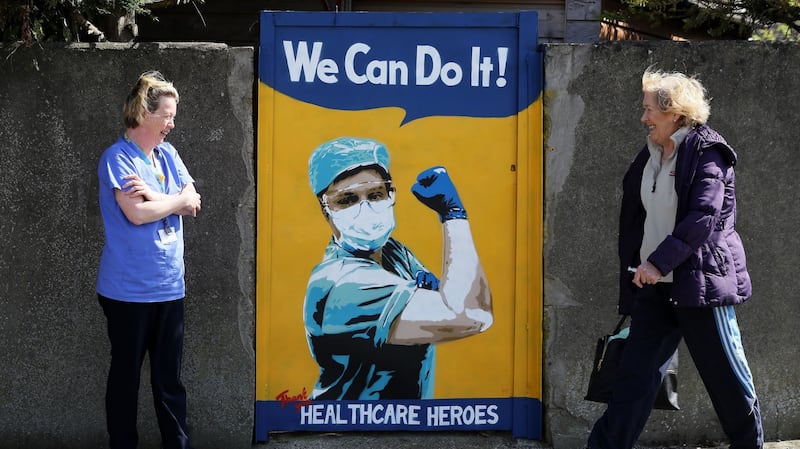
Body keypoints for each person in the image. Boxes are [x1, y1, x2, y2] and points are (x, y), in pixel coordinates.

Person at [587, 68, 763, 449]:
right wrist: (640, 268)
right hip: (655, 287)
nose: (643, 117)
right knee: (632, 381)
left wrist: (657, 262)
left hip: (699, 284)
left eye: (649, 109)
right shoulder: (650, 154)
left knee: (727, 382)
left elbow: (703, 218)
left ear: (676, 114)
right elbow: (637, 219)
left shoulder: (708, 152)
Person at [303, 137, 493, 400]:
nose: (365, 208)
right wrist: (453, 214)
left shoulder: (394, 253)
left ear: (390, 196)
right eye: (347, 200)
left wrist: (437, 294)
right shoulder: (342, 284)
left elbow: (460, 298)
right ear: (326, 210)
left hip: (401, 422)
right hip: (353, 434)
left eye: (375, 195)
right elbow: (472, 315)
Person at [96, 70, 201, 449]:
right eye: (167, 116)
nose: (172, 124)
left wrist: (156, 198)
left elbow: (193, 201)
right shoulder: (117, 159)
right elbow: (136, 215)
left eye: (173, 116)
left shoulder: (169, 155)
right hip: (127, 291)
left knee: (169, 380)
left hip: (169, 287)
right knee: (125, 378)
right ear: (144, 113)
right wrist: (171, 201)